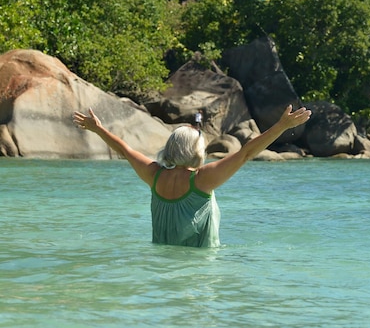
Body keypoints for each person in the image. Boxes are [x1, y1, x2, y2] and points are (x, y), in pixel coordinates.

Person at [72, 105, 311, 248]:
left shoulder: (154, 176)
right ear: (197, 151)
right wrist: (281, 126)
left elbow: (125, 150)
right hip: (199, 270)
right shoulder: (202, 180)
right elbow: (246, 153)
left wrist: (98, 129)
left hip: (162, 268)